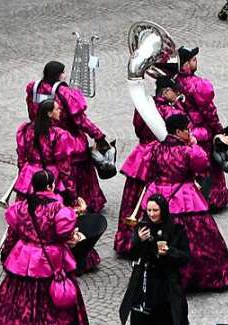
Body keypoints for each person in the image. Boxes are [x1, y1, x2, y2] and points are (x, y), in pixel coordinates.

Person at [0, 171, 90, 325]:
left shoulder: (21, 207)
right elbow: (64, 234)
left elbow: (12, 236)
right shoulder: (58, 209)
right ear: (50, 187)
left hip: (24, 258)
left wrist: (6, 256)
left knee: (17, 302)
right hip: (50, 260)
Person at [146, 113, 228, 291]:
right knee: (201, 237)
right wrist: (195, 146)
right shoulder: (187, 150)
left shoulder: (156, 148)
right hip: (185, 197)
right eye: (187, 130)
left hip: (162, 195)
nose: (190, 133)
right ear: (178, 131)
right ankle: (202, 276)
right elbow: (203, 165)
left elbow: (151, 169)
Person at [118, 194, 192, 325]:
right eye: (149, 210)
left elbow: (185, 256)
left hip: (162, 283)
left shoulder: (175, 229)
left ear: (163, 210)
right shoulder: (142, 226)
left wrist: (169, 252)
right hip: (141, 280)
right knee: (136, 323)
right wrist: (138, 241)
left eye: (155, 210)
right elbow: (131, 253)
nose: (151, 214)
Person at [114, 76, 188, 256]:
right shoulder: (169, 111)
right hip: (159, 151)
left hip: (141, 153)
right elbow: (182, 126)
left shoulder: (143, 106)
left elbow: (138, 128)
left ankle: (127, 239)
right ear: (166, 92)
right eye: (174, 92)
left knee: (132, 195)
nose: (177, 95)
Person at [26, 61, 110, 214]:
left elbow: (31, 112)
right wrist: (98, 135)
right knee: (76, 170)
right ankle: (79, 201)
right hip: (67, 139)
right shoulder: (64, 92)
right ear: (59, 75)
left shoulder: (34, 88)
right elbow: (81, 120)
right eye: (63, 72)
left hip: (39, 134)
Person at [175, 46, 228, 211]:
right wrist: (219, 129)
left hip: (183, 130)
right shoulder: (198, 85)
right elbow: (209, 111)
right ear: (185, 64)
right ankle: (211, 198)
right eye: (193, 60)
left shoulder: (175, 82)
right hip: (201, 131)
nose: (196, 62)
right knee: (209, 166)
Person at [14, 98, 76, 205]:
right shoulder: (59, 134)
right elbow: (64, 165)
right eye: (57, 109)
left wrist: (23, 174)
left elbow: (21, 155)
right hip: (50, 175)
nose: (60, 110)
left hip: (29, 173)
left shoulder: (26, 129)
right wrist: (72, 193)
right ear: (49, 113)